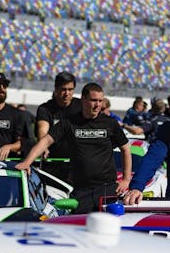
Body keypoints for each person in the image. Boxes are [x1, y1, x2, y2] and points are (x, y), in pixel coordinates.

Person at [16, 83, 130, 214]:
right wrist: (27, 162)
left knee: (106, 224)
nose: (98, 105)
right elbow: (46, 141)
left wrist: (126, 180)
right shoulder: (69, 122)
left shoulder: (110, 123)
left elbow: (126, 149)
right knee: (79, 224)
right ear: (83, 99)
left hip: (107, 188)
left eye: (100, 101)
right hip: (81, 190)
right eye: (93, 100)